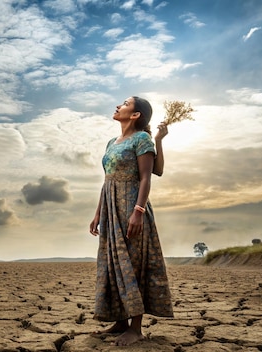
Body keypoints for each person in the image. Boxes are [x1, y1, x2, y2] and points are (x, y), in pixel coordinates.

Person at [89, 96, 174, 346]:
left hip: (130, 207)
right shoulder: (111, 143)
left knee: (132, 264)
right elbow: (107, 181)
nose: (118, 106)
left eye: (125, 103)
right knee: (112, 265)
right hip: (110, 208)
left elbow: (148, 176)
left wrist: (138, 210)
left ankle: (136, 328)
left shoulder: (141, 139)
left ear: (135, 115)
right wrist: (97, 214)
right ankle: (120, 322)